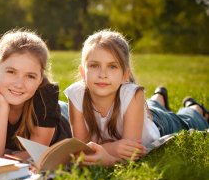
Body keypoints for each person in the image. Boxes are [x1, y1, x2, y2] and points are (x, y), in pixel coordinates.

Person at [64, 29, 208, 166]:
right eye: (94, 65)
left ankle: (195, 109)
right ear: (83, 72)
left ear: (125, 75)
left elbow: (131, 155)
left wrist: (109, 157)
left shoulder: (133, 94)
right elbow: (82, 150)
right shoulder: (76, 95)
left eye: (112, 66)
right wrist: (113, 148)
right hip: (143, 113)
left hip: (160, 125)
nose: (103, 74)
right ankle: (159, 98)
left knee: (187, 122)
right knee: (150, 107)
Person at [0, 29, 71, 158]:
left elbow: (36, 154)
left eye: (30, 76)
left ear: (40, 80)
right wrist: (3, 107)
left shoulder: (45, 97)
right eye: (11, 72)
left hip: (64, 116)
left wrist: (6, 158)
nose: (19, 84)